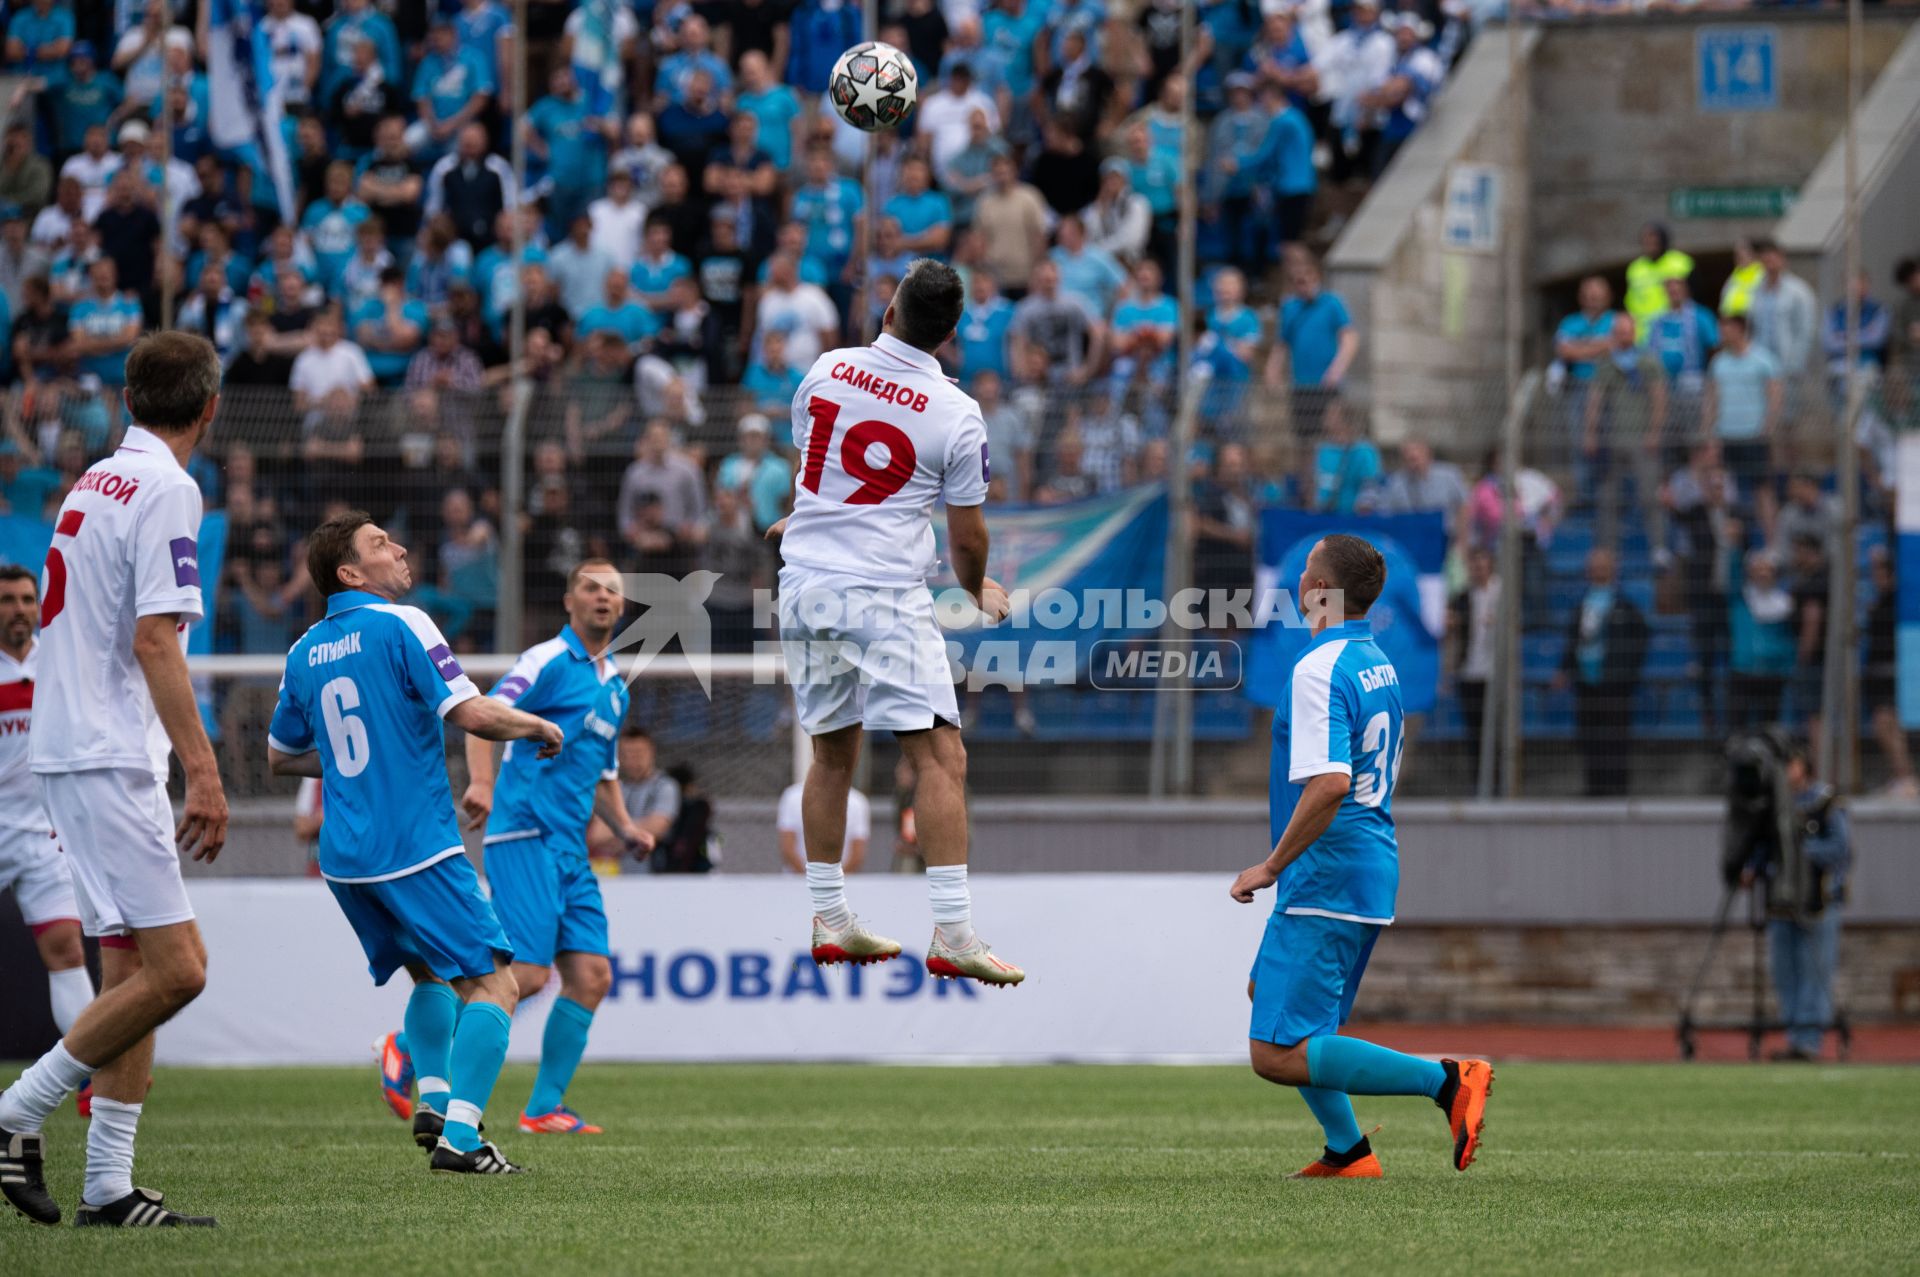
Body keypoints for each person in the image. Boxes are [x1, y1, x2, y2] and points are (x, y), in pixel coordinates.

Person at [2, 333, 229, 1228]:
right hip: (106, 752)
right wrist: (204, 770)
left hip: (66, 744)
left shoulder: (93, 479)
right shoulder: (170, 486)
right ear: (208, 408)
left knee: (128, 971)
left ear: (127, 400)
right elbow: (154, 637)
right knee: (183, 971)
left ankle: (108, 1184)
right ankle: (17, 1110)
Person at [266, 511, 563, 1175]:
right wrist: (536, 723)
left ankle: (431, 1099)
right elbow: (473, 712)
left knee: (431, 971)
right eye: (379, 543)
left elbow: (281, 758)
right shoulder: (402, 622)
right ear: (350, 573)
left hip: (345, 861)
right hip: (416, 846)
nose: (398, 548)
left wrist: (357, 768)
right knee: (497, 983)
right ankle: (464, 1138)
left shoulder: (302, 650)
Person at [772, 257, 1023, 986]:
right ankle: (952, 930)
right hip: (879, 592)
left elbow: (818, 469)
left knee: (832, 754)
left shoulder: (828, 367)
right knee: (940, 757)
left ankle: (829, 915)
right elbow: (967, 537)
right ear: (949, 335)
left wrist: (805, 517)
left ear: (888, 312)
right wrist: (978, 589)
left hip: (804, 583)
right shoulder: (954, 411)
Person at [1229, 534, 1493, 1180]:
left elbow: (1330, 782)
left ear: (1315, 590)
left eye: (1307, 569)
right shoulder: (1376, 659)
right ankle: (1348, 1149)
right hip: (1360, 862)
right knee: (1269, 992)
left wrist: (1270, 863)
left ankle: (1447, 1079)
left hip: (1329, 868)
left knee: (1274, 1051)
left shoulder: (1318, 667)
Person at [438, 560, 653, 1135]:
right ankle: (411, 1045)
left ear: (623, 607)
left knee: (591, 976)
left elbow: (602, 773)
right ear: (569, 601)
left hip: (570, 848)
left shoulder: (615, 688)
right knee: (527, 975)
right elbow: (481, 713)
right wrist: (482, 783)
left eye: (612, 589)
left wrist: (627, 827)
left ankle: (542, 1109)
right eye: (591, 587)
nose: (602, 597)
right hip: (525, 832)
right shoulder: (547, 661)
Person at [0, 566, 95, 1112]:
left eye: (26, 599)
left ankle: (91, 1073)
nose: (18, 608)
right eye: (7, 599)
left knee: (65, 950)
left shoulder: (57, 665)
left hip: (42, 836)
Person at [1744, 744, 1849, 1062]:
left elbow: (1841, 850)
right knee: (1784, 971)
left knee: (1814, 970)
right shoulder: (1773, 804)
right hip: (1780, 903)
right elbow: (1762, 848)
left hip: (1817, 902)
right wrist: (1753, 866)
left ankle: (1809, 1040)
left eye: (1789, 764)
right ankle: (1794, 1037)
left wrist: (1801, 852)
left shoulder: (1826, 802)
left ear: (1803, 766)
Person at [1555, 548, 1649, 797]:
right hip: (1587, 683)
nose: (1597, 570)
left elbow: (1641, 640)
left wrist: (1627, 671)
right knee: (1589, 738)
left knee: (1615, 739)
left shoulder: (1625, 608)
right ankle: (1594, 787)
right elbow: (1572, 640)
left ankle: (1617, 788)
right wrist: (1565, 669)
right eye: (1594, 565)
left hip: (1615, 685)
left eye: (1602, 565)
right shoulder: (1581, 606)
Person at [777, 781, 869, 874]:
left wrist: (832, 882)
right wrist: (813, 880)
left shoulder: (857, 801)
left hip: (841, 884)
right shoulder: (792, 796)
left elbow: (857, 855)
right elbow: (788, 848)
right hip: (796, 882)